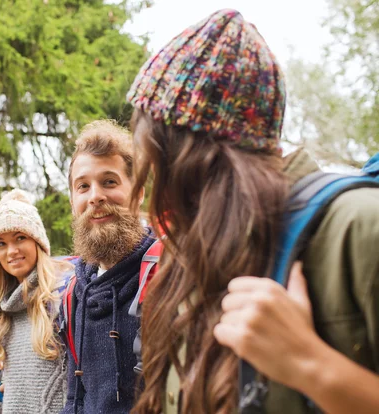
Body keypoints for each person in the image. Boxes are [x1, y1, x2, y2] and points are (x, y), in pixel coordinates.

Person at [126, 8, 379, 414]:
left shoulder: (360, 227)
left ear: (194, 160)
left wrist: (312, 366)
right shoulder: (193, 252)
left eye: (154, 156)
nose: (150, 182)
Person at [61, 120, 157, 414]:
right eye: (83, 186)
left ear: (138, 192)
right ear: (73, 201)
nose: (95, 196)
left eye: (109, 182)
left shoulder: (167, 276)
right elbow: (75, 397)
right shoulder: (75, 291)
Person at [0, 189, 72, 414]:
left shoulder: (63, 296)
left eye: (20, 238)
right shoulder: (3, 310)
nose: (11, 251)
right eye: (1, 244)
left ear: (38, 242)